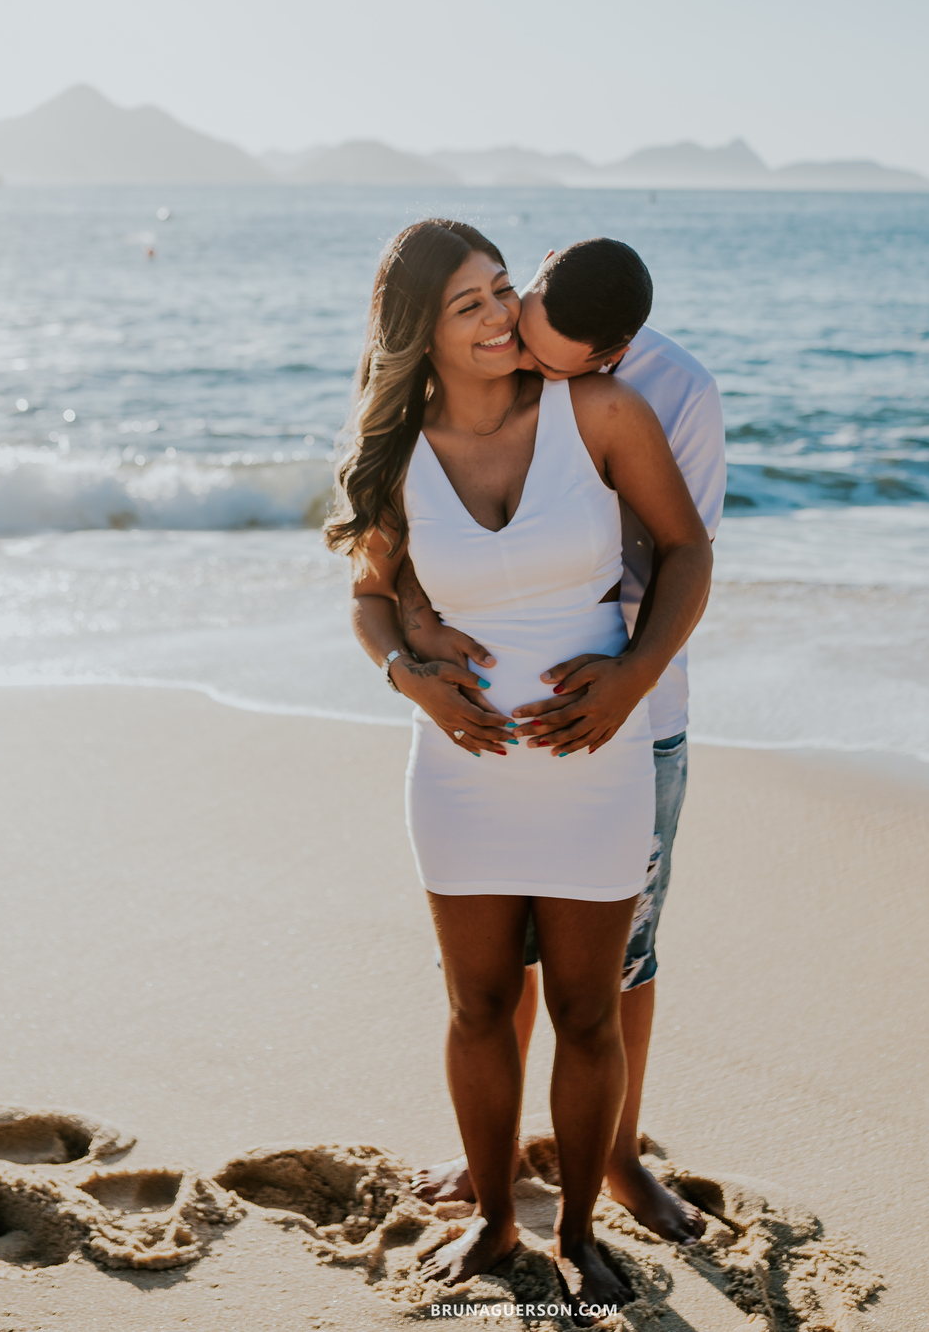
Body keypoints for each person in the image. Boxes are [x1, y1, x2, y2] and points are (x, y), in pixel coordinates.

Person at [326, 220, 712, 1313]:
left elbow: (687, 549)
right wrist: (408, 673)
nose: (502, 315)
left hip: (597, 759)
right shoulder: (398, 452)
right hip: (461, 770)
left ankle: (578, 1233)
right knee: (479, 1006)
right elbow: (368, 596)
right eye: (471, 304)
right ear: (423, 332)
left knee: (589, 1010)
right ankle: (496, 1217)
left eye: (503, 288)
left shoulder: (600, 410)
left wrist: (634, 677)